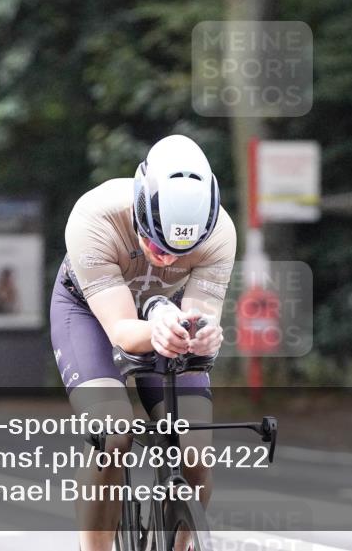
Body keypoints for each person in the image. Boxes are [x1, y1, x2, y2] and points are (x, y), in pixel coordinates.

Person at [49, 134, 235, 551]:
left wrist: (204, 334)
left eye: (178, 251)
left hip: (164, 314)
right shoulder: (93, 218)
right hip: (90, 314)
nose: (165, 258)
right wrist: (160, 330)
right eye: (154, 242)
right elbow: (121, 332)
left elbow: (202, 314)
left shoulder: (221, 232)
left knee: (196, 455)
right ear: (138, 207)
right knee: (113, 437)